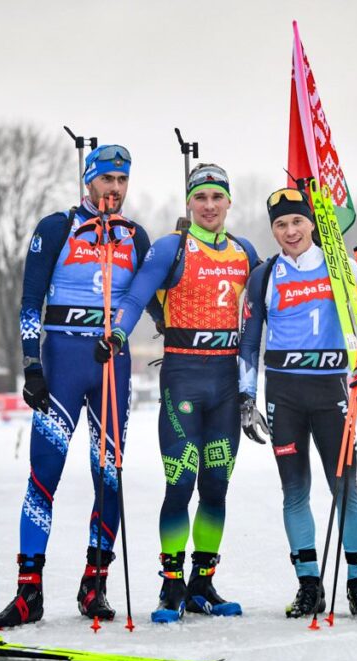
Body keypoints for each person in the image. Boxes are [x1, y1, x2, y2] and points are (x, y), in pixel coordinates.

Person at [0, 144, 152, 628]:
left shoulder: (134, 236)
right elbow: (29, 301)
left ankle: (94, 584)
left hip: (110, 366)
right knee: (44, 476)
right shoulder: (56, 227)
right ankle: (28, 592)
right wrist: (31, 364)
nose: (115, 189)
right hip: (61, 365)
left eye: (122, 181)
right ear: (89, 181)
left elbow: (154, 300)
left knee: (109, 477)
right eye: (107, 180)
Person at [96, 163, 261, 622]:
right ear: (189, 201)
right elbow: (133, 297)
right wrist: (117, 333)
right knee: (181, 481)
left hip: (226, 384)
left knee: (216, 485)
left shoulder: (245, 252)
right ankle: (171, 585)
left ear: (229, 202)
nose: (209, 206)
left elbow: (283, 289)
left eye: (217, 197)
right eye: (201, 197)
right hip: (184, 379)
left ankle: (202, 584)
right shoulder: (172, 247)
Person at [237, 187, 357, 619]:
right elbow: (249, 343)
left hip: (331, 391)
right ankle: (309, 586)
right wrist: (246, 398)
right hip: (283, 395)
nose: (290, 231)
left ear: (312, 223)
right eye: (281, 225)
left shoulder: (341, 267)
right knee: (293, 491)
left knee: (346, 488)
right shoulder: (264, 276)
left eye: (297, 222)